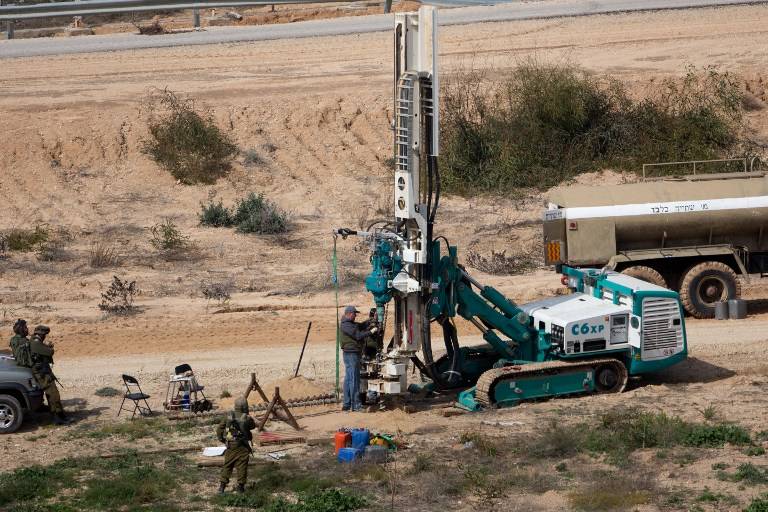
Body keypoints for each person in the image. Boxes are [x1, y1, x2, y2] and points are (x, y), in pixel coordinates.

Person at [339, 305, 378, 412]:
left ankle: (346, 404)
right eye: (354, 314)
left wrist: (370, 320)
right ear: (349, 314)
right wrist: (371, 332)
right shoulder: (346, 325)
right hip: (351, 354)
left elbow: (360, 325)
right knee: (354, 380)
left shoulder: (349, 324)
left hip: (352, 354)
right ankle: (356, 405)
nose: (355, 316)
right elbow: (358, 335)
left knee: (348, 379)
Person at [29, 325, 70, 425]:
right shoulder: (35, 343)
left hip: (42, 371)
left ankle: (58, 415)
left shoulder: (34, 341)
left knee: (52, 393)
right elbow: (49, 352)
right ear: (41, 334)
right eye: (44, 334)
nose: (45, 336)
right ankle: (57, 417)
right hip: (42, 372)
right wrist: (50, 347)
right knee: (53, 394)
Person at [216, 396, 256, 494]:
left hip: (230, 445)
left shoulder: (229, 416)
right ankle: (240, 487)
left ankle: (222, 487)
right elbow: (253, 426)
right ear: (245, 406)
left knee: (227, 465)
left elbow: (219, 429)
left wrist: (223, 440)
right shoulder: (246, 418)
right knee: (242, 466)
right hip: (242, 445)